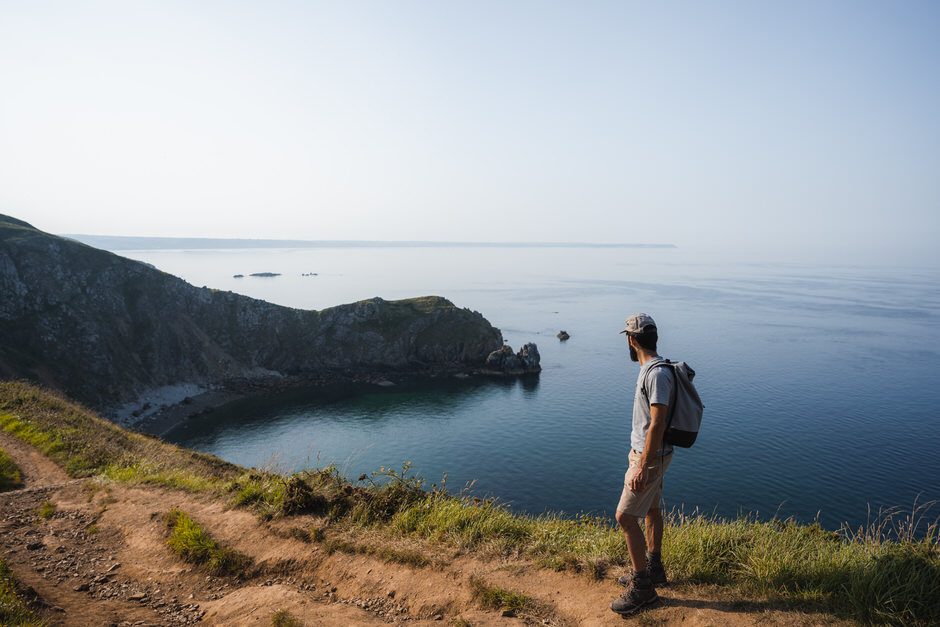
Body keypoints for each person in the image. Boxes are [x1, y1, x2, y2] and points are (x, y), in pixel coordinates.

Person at [610, 313, 673, 616]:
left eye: (627, 337)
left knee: (623, 516)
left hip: (649, 457)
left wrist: (642, 465)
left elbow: (658, 423)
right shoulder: (651, 369)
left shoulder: (656, 374)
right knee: (652, 509)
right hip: (654, 455)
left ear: (632, 340)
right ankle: (654, 568)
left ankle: (643, 588)